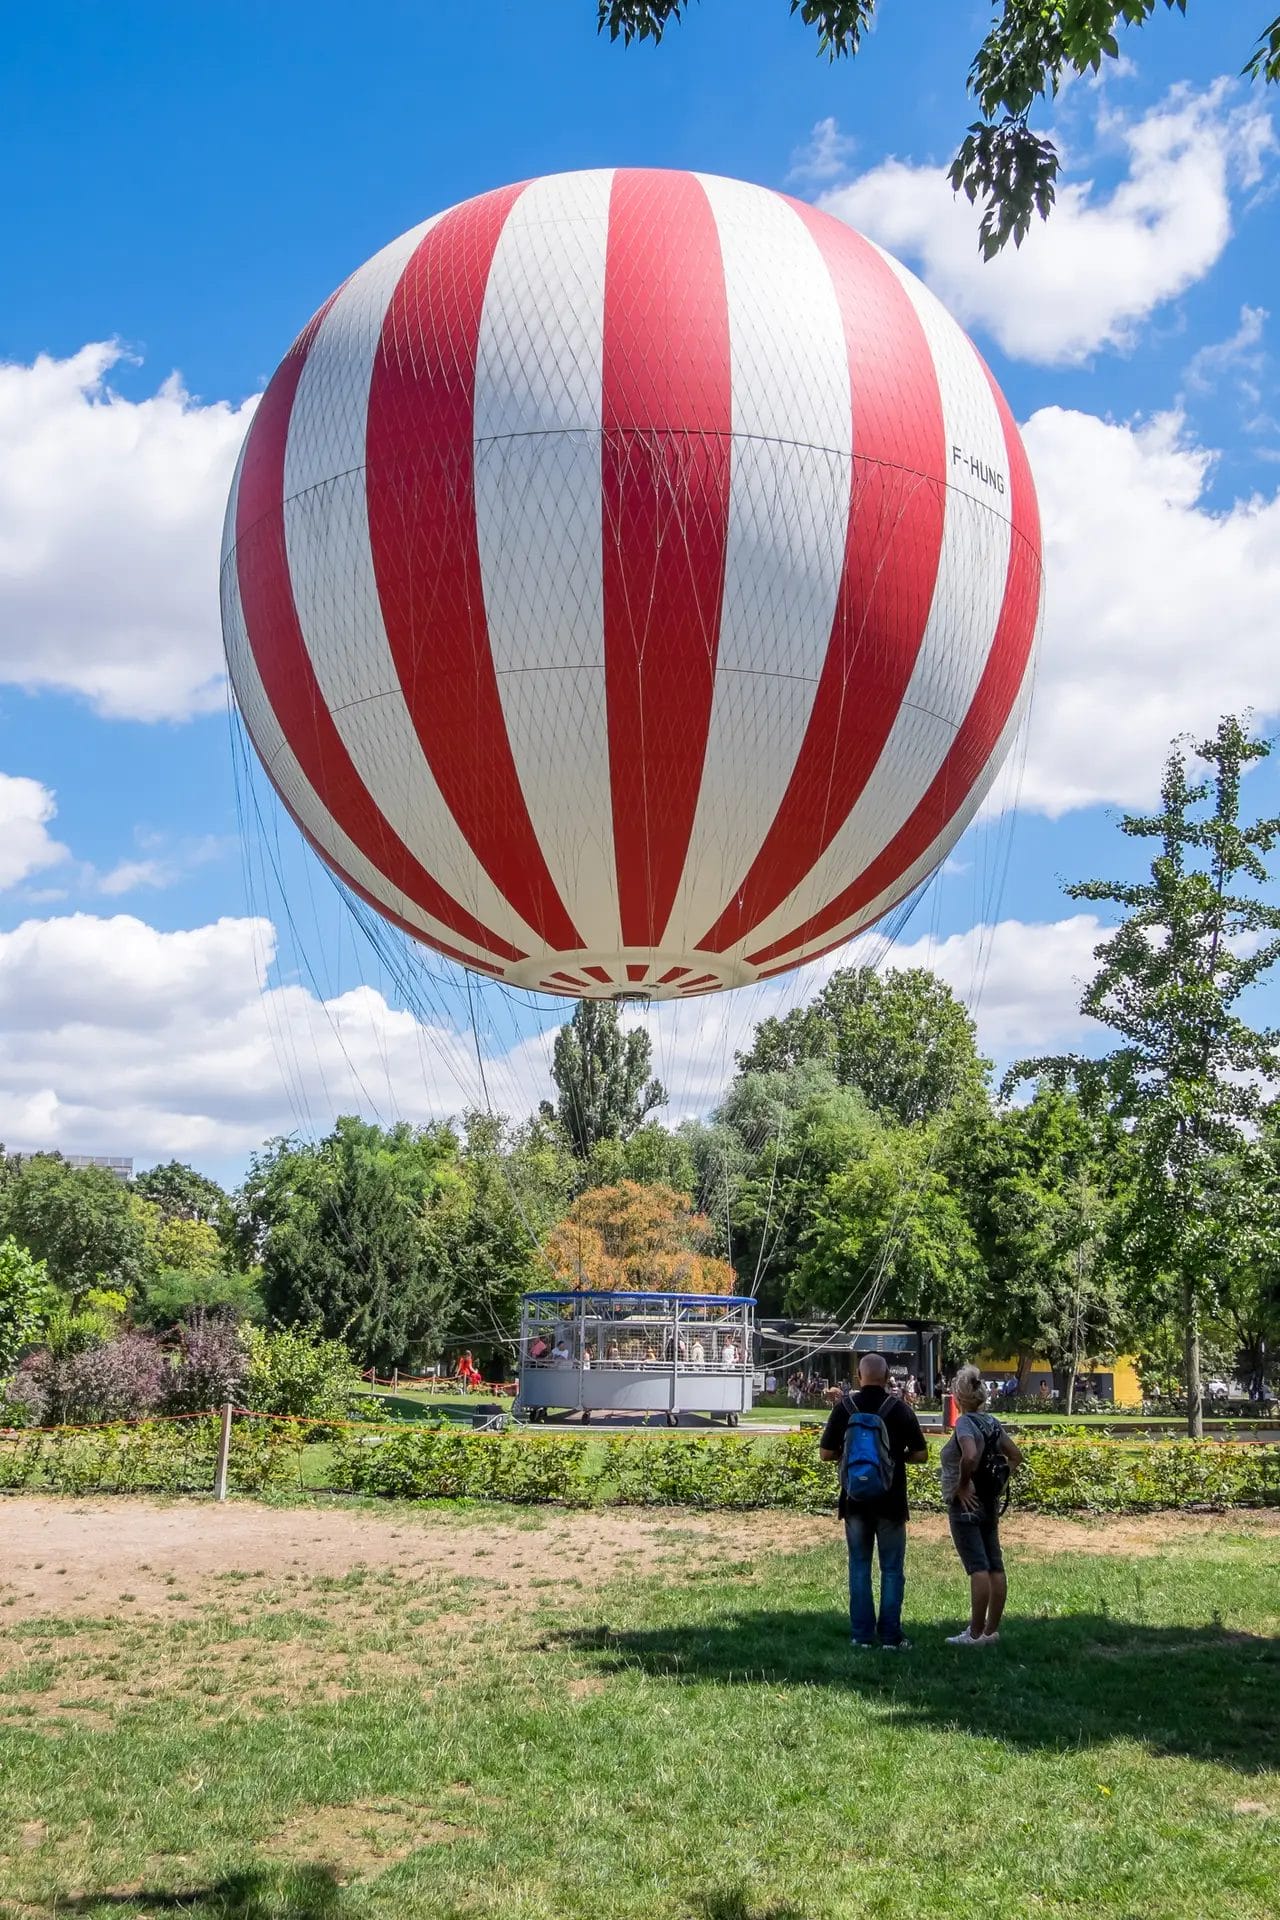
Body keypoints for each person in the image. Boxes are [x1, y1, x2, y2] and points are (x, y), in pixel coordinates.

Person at [819, 1353, 929, 1651]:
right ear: (886, 1377)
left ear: (859, 1376)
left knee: (859, 1567)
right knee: (892, 1569)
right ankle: (891, 1636)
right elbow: (921, 1454)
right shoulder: (900, 1410)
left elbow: (826, 1453)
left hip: (854, 1500)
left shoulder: (845, 1407)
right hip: (891, 1500)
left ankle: (861, 1635)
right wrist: (895, 1460)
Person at [940, 1363, 1024, 1647]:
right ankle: (991, 1630)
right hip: (989, 1500)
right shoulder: (991, 1422)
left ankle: (974, 1634)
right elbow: (1015, 1455)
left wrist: (963, 1484)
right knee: (995, 1566)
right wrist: (999, 1479)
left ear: (959, 1398)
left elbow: (970, 1454)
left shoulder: (965, 1422)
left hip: (967, 1504)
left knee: (977, 1567)